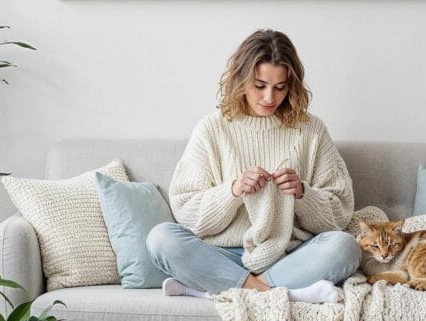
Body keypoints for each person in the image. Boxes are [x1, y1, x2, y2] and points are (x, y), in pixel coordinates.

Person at [147, 29, 361, 304]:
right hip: (225, 256)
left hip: (289, 257)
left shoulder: (311, 130)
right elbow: (187, 212)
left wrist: (303, 194)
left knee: (345, 247)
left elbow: (340, 212)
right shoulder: (212, 128)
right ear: (241, 79)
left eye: (280, 87)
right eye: (259, 86)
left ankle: (217, 290)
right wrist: (233, 191)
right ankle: (281, 294)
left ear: (291, 85)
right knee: (161, 239)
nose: (269, 98)